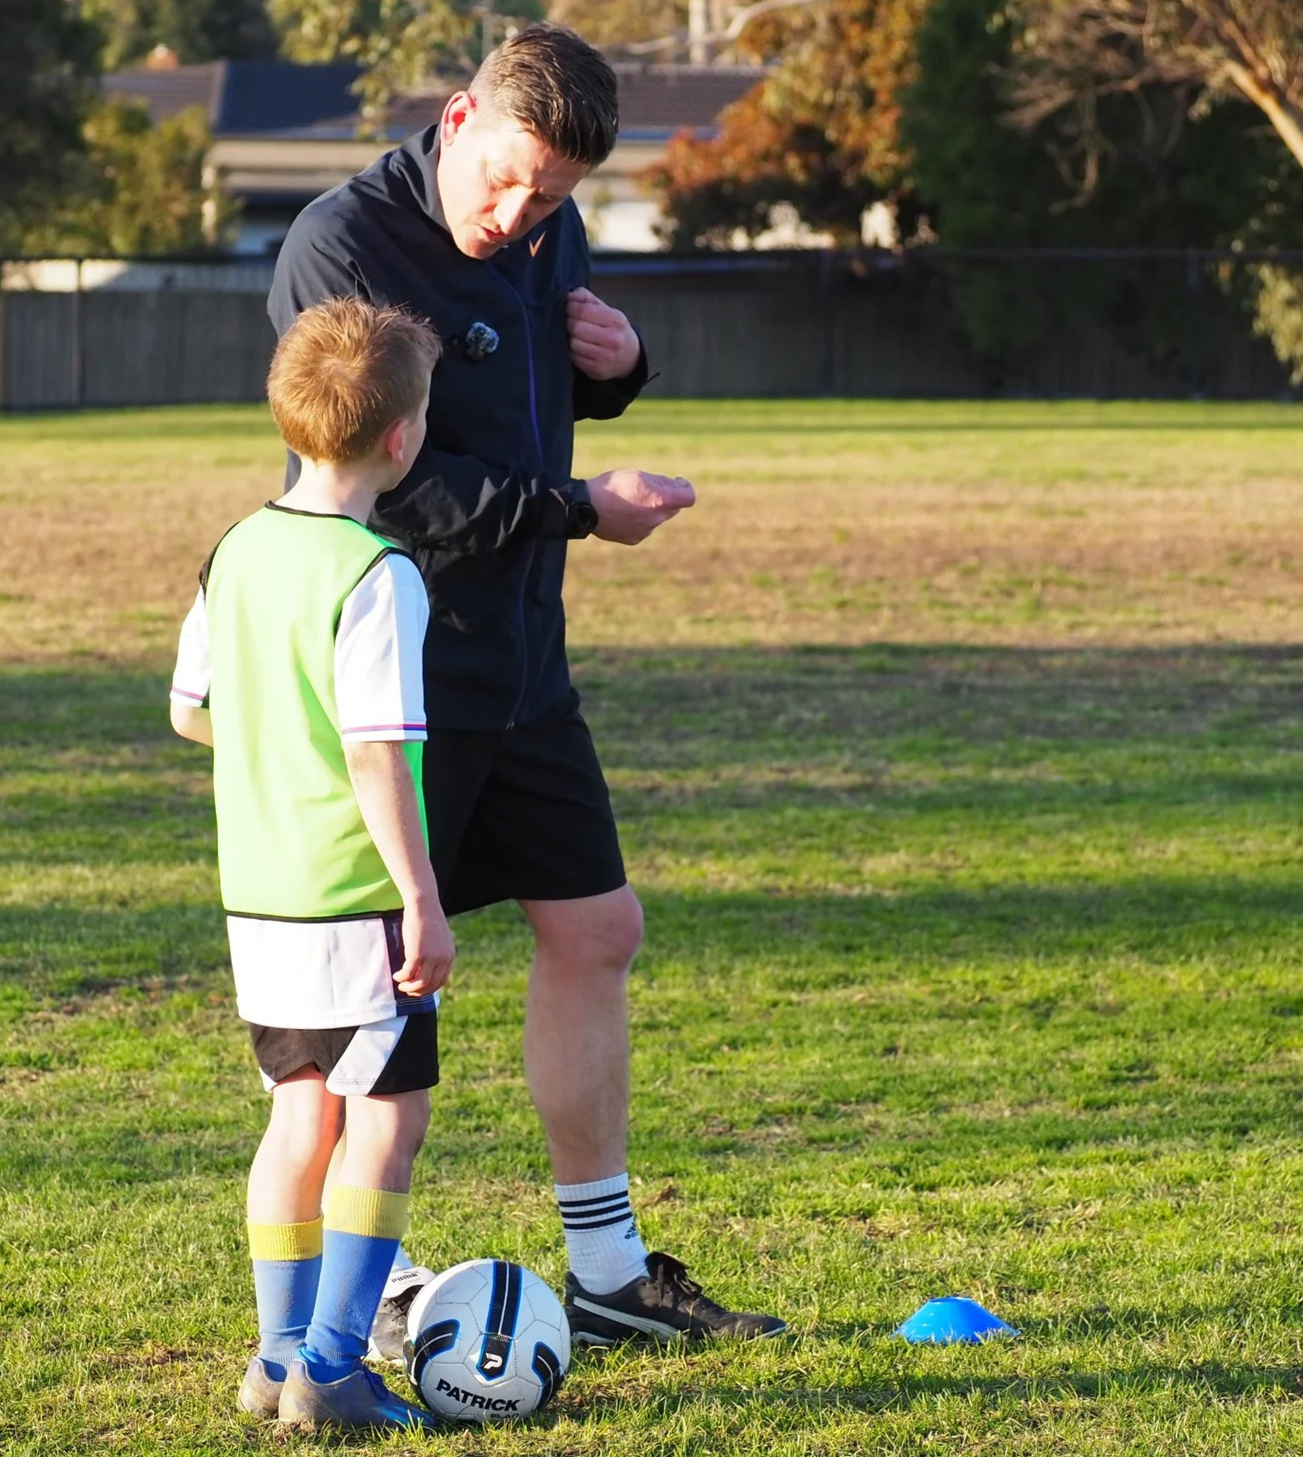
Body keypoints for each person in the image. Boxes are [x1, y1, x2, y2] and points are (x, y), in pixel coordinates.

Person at [268, 22, 787, 1350]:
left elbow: (540, 380)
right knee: (369, 1000)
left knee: (595, 928)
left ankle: (608, 1278)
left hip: (517, 663)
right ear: (456, 119)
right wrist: (574, 509)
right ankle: (361, 1296)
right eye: (502, 180)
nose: (518, 215)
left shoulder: (549, 229)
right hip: (386, 675)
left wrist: (619, 374)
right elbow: (391, 480)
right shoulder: (343, 246)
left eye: (549, 197)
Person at [170, 298, 451, 1432]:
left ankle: (272, 1356)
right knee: (385, 1119)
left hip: (260, 896)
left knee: (298, 1112)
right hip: (352, 901)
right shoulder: (376, 572)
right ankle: (330, 1366)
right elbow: (376, 749)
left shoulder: (237, 547)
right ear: (401, 438)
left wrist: (275, 739)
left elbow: (189, 710)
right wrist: (422, 898)